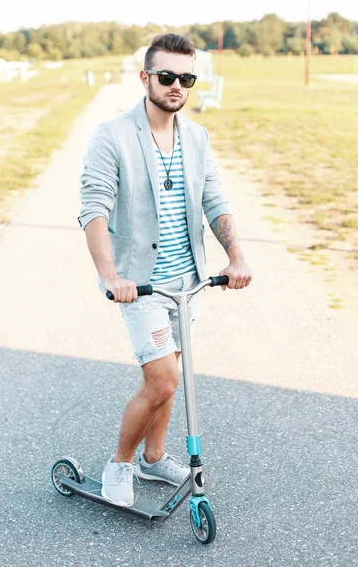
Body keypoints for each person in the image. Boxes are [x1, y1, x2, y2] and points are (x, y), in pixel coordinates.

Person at [78, 33, 252, 508]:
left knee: (172, 373)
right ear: (146, 78)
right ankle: (121, 462)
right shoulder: (112, 135)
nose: (177, 85)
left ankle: (155, 457)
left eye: (187, 78)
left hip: (188, 283)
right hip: (140, 284)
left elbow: (213, 197)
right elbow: (93, 206)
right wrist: (111, 276)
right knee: (162, 380)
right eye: (167, 76)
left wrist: (235, 254)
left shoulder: (196, 137)